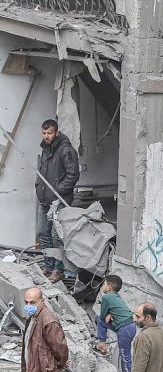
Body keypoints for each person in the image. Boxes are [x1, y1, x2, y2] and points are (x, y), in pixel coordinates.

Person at [35, 120, 79, 283]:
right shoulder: (46, 148)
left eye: (50, 133)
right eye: (44, 133)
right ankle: (48, 264)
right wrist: (39, 187)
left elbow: (73, 175)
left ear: (57, 133)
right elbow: (43, 173)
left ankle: (59, 269)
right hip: (44, 199)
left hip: (58, 201)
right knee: (43, 234)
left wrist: (58, 190)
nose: (46, 136)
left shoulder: (66, 150)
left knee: (57, 236)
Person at [94, 275, 137, 372]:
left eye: (104, 284)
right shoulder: (116, 296)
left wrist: (107, 314)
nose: (102, 287)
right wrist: (109, 314)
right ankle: (102, 344)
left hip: (124, 329)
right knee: (100, 320)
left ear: (108, 287)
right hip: (130, 326)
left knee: (125, 357)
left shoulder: (106, 297)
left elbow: (103, 315)